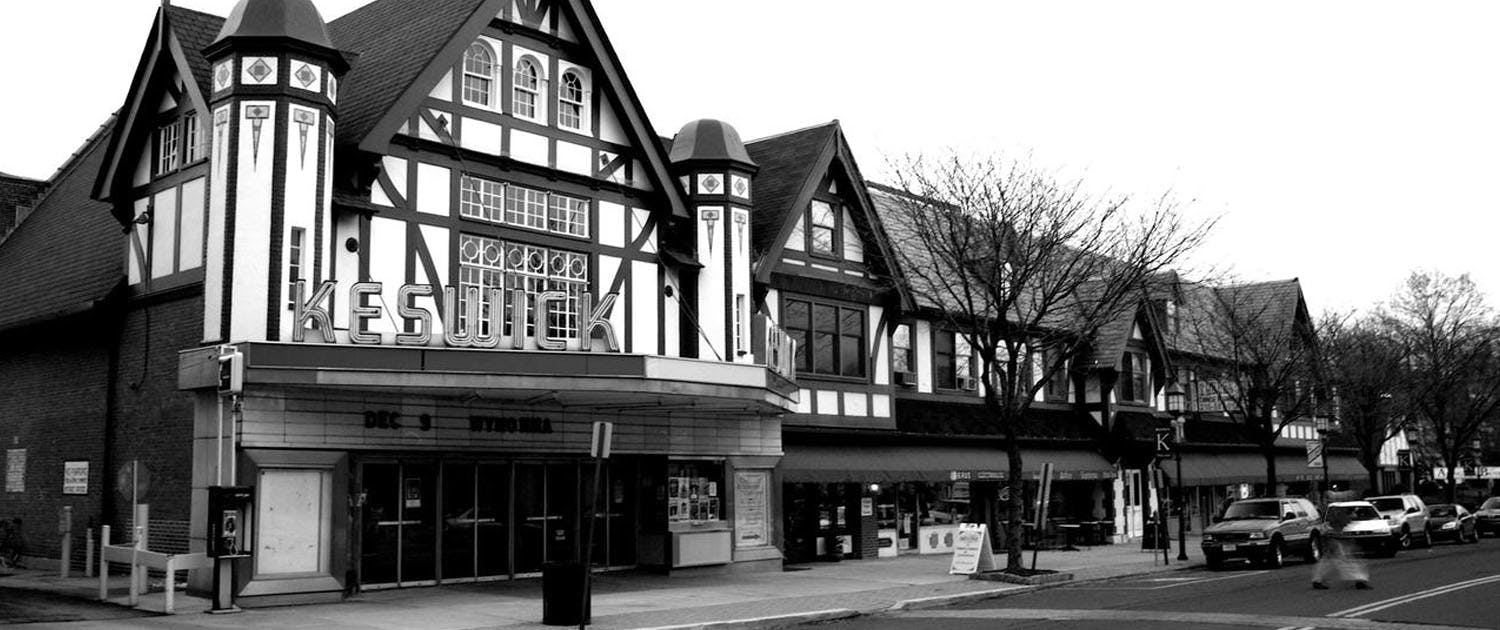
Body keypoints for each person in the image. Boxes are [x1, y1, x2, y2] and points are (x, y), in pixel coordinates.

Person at [1313, 504, 1370, 590]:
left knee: (1327, 563)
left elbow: (1332, 532)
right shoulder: (1340, 518)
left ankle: (1317, 580)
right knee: (1344, 562)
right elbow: (1334, 532)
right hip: (1334, 542)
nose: (1352, 517)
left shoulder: (1335, 519)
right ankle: (1359, 580)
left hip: (1332, 542)